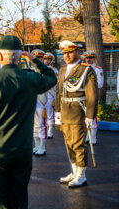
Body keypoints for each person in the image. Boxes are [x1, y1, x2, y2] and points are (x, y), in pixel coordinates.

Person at [0, 35, 57, 209]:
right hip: (22, 152)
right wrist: (33, 59)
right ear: (19, 57)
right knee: (19, 199)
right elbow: (51, 76)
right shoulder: (30, 79)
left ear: (0, 56)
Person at [55, 40, 98, 188]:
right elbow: (59, 92)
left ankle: (82, 175)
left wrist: (90, 116)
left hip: (78, 111)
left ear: (78, 52)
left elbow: (92, 94)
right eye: (65, 53)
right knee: (69, 144)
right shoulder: (62, 69)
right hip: (66, 112)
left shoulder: (86, 70)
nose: (67, 55)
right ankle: (74, 172)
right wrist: (58, 111)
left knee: (78, 144)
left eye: (70, 52)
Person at [83, 51, 103, 145]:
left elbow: (100, 84)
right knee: (85, 117)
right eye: (87, 58)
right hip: (83, 97)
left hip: (92, 96)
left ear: (94, 59)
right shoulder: (82, 69)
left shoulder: (98, 70)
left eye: (91, 58)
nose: (89, 60)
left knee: (93, 117)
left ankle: (93, 136)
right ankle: (88, 135)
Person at [31, 49, 49, 156]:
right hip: (32, 98)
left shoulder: (46, 71)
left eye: (40, 58)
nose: (37, 60)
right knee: (34, 124)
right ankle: (36, 145)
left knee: (42, 124)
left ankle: (42, 146)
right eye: (35, 58)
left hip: (42, 99)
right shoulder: (29, 70)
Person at [43, 52, 59, 139]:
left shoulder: (54, 70)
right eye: (45, 59)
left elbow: (55, 82)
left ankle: (50, 130)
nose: (46, 61)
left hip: (49, 93)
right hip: (41, 94)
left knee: (49, 113)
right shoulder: (40, 68)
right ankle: (43, 129)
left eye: (48, 59)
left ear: (51, 60)